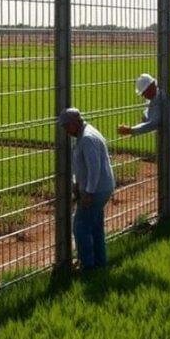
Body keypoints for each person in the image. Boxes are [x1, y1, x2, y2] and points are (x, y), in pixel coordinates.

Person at [118, 73, 170, 215]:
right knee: (169, 172)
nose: (143, 96)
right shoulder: (157, 98)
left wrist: (132, 130)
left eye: (144, 92)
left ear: (151, 87)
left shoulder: (162, 100)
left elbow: (153, 123)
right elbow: (150, 117)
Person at [58, 107, 115, 271]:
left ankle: (87, 266)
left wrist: (89, 192)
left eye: (66, 126)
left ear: (76, 122)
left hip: (96, 190)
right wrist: (77, 183)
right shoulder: (85, 134)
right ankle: (100, 263)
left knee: (80, 227)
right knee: (95, 226)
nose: (65, 130)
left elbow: (94, 168)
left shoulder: (87, 138)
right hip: (101, 187)